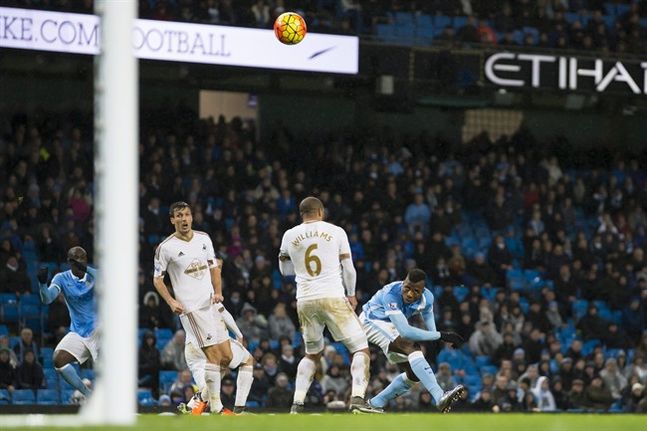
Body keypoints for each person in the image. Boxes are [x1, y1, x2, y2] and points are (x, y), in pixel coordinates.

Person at [278, 196, 378, 414]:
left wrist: (304, 272)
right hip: (332, 296)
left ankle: (297, 404)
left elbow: (285, 271)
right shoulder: (336, 231)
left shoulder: (289, 235)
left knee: (311, 354)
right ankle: (358, 400)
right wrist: (351, 294)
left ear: (301, 213)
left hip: (304, 299)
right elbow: (348, 268)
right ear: (321, 212)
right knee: (360, 348)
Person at [154, 201, 238, 415]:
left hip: (211, 305)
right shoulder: (166, 248)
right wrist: (172, 301)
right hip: (191, 310)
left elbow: (214, 266)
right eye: (179, 215)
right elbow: (157, 280)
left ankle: (198, 400)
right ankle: (217, 409)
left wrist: (218, 292)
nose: (184, 219)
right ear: (172, 220)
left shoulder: (204, 238)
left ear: (192, 217)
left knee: (227, 359)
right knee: (213, 357)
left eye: (187, 214)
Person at [360, 268, 465, 413]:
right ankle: (439, 396)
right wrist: (442, 336)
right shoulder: (391, 294)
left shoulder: (428, 298)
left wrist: (437, 339)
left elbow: (428, 316)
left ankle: (375, 403)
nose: (410, 294)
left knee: (414, 374)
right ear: (403, 282)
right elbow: (406, 332)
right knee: (410, 345)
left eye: (416, 291)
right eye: (407, 288)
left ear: (423, 290)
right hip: (371, 321)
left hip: (392, 325)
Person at [37, 246, 97, 399]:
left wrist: (85, 268)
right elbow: (47, 299)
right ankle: (89, 395)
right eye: (76, 258)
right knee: (58, 359)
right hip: (78, 332)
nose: (80, 261)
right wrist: (42, 284)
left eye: (83, 258)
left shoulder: (94, 275)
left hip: (100, 332)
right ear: (69, 262)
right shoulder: (61, 278)